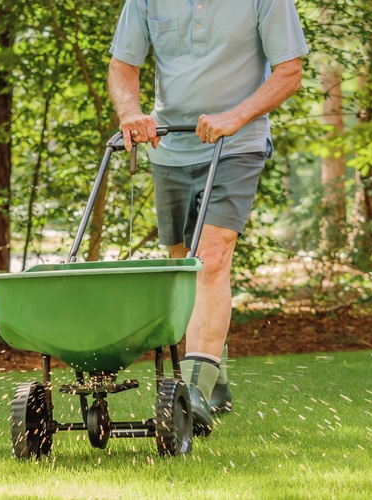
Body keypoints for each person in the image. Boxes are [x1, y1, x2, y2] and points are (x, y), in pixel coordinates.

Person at [107, 0, 308, 435]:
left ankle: (193, 393)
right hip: (170, 147)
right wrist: (130, 113)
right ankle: (215, 376)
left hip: (237, 144)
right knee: (184, 267)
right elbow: (123, 65)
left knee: (211, 258)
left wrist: (235, 117)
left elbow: (289, 71)